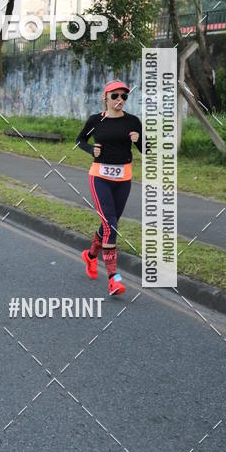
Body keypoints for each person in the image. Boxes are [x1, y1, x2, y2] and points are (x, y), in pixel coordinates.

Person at [76, 80, 143, 296]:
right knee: (111, 224)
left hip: (123, 179)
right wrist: (90, 150)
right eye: (115, 96)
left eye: (124, 96)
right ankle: (114, 278)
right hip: (100, 178)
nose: (120, 100)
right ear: (105, 98)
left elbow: (146, 150)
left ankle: (91, 256)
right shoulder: (96, 120)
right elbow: (80, 140)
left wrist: (139, 140)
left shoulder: (133, 122)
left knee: (108, 224)